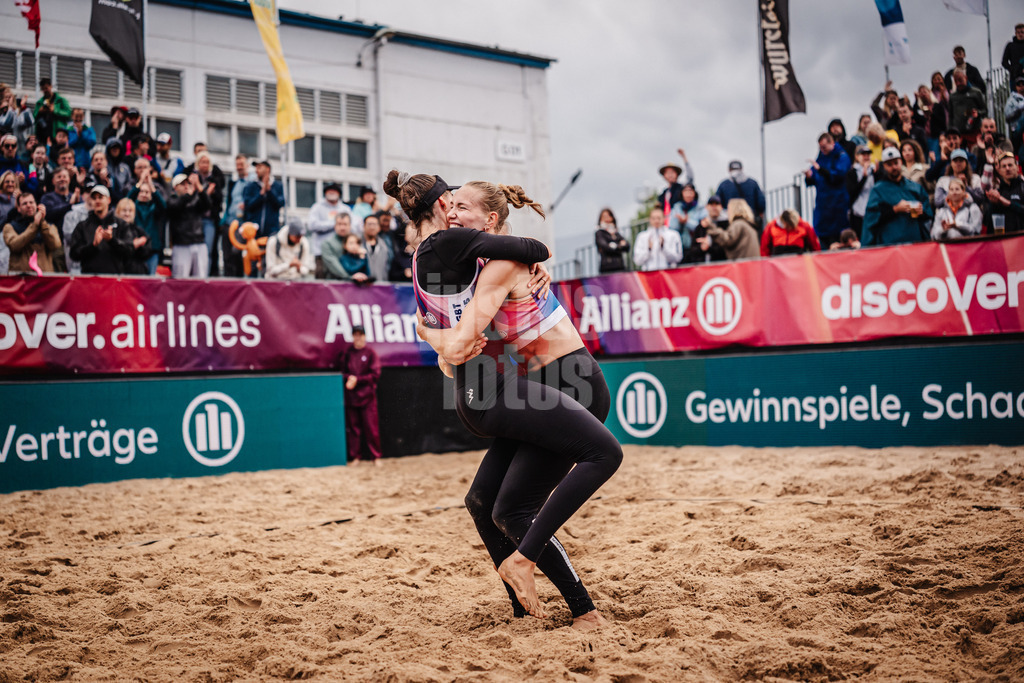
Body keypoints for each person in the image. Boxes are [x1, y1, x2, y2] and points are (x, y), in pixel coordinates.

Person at [394, 170, 620, 630]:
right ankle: (538, 608)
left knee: (517, 506)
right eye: (449, 206)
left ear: (489, 218)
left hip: (572, 383)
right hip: (546, 388)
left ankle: (565, 595)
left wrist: (435, 339)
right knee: (487, 503)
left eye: (461, 208)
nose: (452, 213)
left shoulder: (497, 265)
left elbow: (459, 342)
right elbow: (456, 343)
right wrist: (440, 341)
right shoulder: (482, 264)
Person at [862, 147, 933, 247]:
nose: (894, 167)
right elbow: (871, 219)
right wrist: (895, 209)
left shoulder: (915, 187)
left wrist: (921, 211)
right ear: (884, 166)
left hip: (915, 244)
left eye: (896, 163)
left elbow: (928, 213)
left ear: (901, 162)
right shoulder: (878, 190)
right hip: (889, 246)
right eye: (889, 164)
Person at [340, 326, 382, 466]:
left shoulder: (371, 353)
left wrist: (357, 380)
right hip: (352, 397)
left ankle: (376, 458)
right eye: (355, 335)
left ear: (364, 336)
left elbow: (375, 375)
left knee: (371, 428)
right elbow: (342, 372)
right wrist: (349, 379)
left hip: (368, 397)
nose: (358, 338)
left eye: (360, 334)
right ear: (352, 337)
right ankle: (355, 458)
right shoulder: (347, 353)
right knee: (353, 429)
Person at [69, 185, 132, 275]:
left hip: (115, 280)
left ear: (109, 200)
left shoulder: (122, 224)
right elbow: (74, 254)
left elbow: (129, 251)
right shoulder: (82, 226)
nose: (97, 201)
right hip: (90, 280)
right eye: (94, 198)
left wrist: (112, 240)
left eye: (100, 197)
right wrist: (93, 245)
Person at [805, 132, 851, 248]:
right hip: (823, 209)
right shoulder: (821, 157)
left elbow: (838, 175)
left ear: (832, 143)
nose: (822, 150)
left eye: (824, 147)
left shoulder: (841, 156)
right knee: (823, 242)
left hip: (837, 206)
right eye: (820, 147)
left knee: (838, 242)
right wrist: (809, 176)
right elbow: (815, 174)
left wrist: (820, 170)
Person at [3, 191, 61, 274]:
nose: (29, 205)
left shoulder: (49, 226)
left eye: (31, 202)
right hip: (20, 280)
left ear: (36, 205)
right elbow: (15, 246)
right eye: (24, 203)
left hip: (45, 280)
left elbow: (55, 245)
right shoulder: (10, 227)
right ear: (18, 208)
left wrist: (42, 223)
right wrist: (34, 225)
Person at [167, 173, 211, 278]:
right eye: (182, 184)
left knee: (200, 277)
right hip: (181, 244)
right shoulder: (172, 200)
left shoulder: (195, 200)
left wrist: (200, 188)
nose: (186, 186)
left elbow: (208, 205)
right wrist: (189, 194)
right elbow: (177, 206)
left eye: (188, 183)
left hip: (199, 242)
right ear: (175, 187)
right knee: (180, 277)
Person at [308, 182, 354, 277]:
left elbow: (352, 227)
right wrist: (334, 224)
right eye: (329, 190)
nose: (332, 192)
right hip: (321, 254)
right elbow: (312, 225)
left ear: (339, 193)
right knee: (322, 282)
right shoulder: (317, 207)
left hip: (343, 253)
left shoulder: (345, 209)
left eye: (334, 190)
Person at [191, 151, 225, 275]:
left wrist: (205, 193)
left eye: (207, 162)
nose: (204, 165)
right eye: (202, 162)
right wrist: (206, 193)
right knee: (194, 249)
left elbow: (218, 199)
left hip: (210, 219)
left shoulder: (215, 179)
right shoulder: (192, 178)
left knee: (208, 250)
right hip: (195, 219)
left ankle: (205, 274)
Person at [221, 154, 254, 277]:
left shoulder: (252, 182)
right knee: (227, 256)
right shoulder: (233, 183)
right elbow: (229, 203)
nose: (239, 167)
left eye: (241, 164)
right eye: (237, 165)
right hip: (229, 223)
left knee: (237, 255)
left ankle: (239, 281)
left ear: (247, 165)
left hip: (242, 226)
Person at [127, 171, 166, 274]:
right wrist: (139, 183)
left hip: (152, 249)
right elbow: (126, 201)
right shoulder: (133, 207)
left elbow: (163, 206)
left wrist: (151, 186)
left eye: (147, 192)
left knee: (150, 281)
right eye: (141, 191)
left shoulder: (155, 208)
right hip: (135, 248)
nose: (144, 194)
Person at [716, 160, 765, 229]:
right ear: (742, 169)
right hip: (750, 221)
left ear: (729, 170)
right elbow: (761, 204)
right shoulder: (753, 183)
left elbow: (717, 203)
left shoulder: (723, 185)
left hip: (729, 222)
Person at [985, 151, 1024, 234]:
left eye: (1010, 165)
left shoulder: (1022, 188)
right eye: (1004, 166)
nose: (1007, 168)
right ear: (999, 171)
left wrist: (1009, 204)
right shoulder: (997, 193)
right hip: (1004, 242)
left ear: (1017, 167)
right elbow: (987, 222)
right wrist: (993, 205)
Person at [243, 159, 284, 238]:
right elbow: (247, 205)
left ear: (268, 169)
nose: (256, 170)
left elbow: (280, 204)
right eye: (256, 168)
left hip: (272, 232)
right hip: (253, 232)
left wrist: (269, 191)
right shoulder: (251, 186)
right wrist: (261, 194)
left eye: (259, 167)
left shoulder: (277, 186)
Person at [632, 206, 682, 271]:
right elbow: (637, 261)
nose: (656, 221)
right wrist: (648, 249)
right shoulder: (642, 236)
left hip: (668, 274)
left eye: (659, 218)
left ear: (664, 218)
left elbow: (678, 258)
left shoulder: (673, 235)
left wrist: (664, 247)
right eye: (653, 218)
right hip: (649, 274)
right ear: (650, 219)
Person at [683, 194, 728, 264]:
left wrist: (709, 247)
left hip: (721, 266)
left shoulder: (726, 225)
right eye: (711, 204)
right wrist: (701, 248)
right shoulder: (700, 227)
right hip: (703, 267)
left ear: (721, 207)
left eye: (717, 204)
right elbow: (693, 250)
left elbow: (727, 248)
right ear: (707, 207)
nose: (714, 207)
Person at [114, 197, 152, 274]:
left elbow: (147, 252)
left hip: (137, 272)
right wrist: (133, 245)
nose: (127, 214)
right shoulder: (114, 230)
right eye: (124, 210)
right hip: (119, 272)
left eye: (130, 211)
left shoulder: (139, 231)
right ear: (118, 212)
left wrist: (140, 246)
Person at [948, 70, 986, 146]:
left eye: (960, 80)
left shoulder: (976, 92)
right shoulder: (952, 96)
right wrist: (950, 132)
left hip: (974, 131)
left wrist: (978, 113)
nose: (958, 83)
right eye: (956, 81)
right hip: (959, 134)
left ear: (966, 78)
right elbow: (950, 116)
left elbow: (985, 110)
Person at [321, 213, 363, 281]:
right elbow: (334, 266)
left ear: (350, 226)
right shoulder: (327, 244)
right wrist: (350, 278)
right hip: (335, 284)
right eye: (339, 224)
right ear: (335, 226)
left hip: (357, 284)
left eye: (345, 224)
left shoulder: (357, 241)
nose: (342, 227)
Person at [33, 78, 71, 144]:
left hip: (56, 135)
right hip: (42, 135)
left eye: (46, 88)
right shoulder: (40, 102)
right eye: (43, 89)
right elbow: (33, 118)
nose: (45, 91)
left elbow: (69, 114)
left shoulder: (61, 100)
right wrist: (40, 111)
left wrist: (55, 110)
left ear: (51, 86)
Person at [656, 148, 694, 213]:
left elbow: (690, 178)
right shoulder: (663, 194)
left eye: (672, 172)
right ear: (664, 176)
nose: (670, 175)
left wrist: (684, 157)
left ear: (677, 174)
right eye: (667, 173)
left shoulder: (681, 188)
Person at [668, 183, 703, 251]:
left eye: (690, 191)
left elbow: (701, 227)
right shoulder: (676, 208)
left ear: (694, 193)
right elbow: (672, 228)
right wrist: (680, 222)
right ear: (682, 193)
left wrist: (687, 222)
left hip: (697, 246)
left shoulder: (700, 208)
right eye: (686, 191)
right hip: (680, 246)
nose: (688, 194)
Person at [594, 207, 629, 273]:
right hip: (607, 268)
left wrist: (613, 245)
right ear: (600, 219)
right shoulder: (599, 233)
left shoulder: (616, 233)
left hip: (620, 267)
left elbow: (627, 246)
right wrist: (620, 246)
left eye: (608, 216)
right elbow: (606, 247)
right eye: (604, 216)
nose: (607, 219)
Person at [362, 213, 392, 281]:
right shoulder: (358, 244)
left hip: (380, 285)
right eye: (369, 224)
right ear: (364, 226)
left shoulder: (385, 245)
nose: (372, 227)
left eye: (374, 224)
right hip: (361, 286)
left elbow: (388, 265)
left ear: (379, 227)